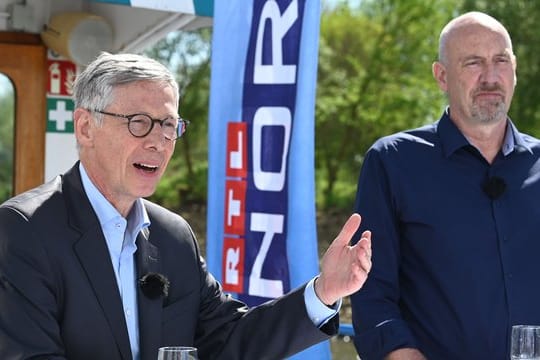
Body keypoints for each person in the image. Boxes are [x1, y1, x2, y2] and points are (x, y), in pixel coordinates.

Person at [0, 52, 372, 360]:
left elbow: (229, 340)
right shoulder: (24, 229)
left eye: (168, 125)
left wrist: (324, 291)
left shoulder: (173, 236)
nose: (159, 142)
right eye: (139, 123)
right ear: (85, 127)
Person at [350, 11, 540, 359]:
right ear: (441, 76)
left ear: (514, 68)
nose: (490, 77)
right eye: (473, 63)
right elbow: (370, 293)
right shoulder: (393, 162)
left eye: (500, 61)